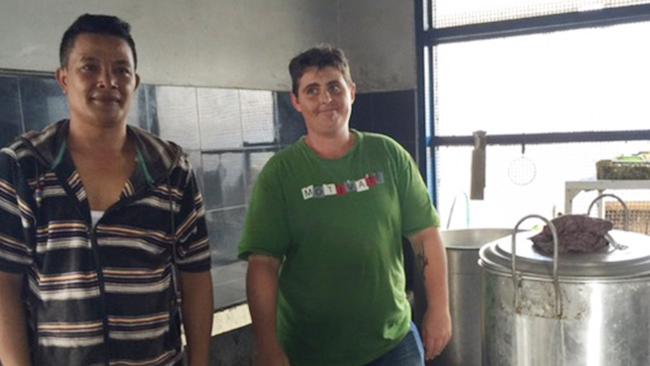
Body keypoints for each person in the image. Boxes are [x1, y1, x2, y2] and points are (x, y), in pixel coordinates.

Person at [0, 14, 213, 366]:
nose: (107, 81)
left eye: (121, 70)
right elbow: (5, 283)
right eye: (89, 68)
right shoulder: (25, 167)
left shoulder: (171, 169)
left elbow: (195, 277)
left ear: (135, 81)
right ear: (63, 79)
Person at [239, 45, 452, 366]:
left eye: (334, 87)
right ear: (296, 101)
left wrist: (439, 308)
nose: (326, 99)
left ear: (352, 92)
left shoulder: (389, 155)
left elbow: (425, 235)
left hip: (393, 344)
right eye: (312, 90)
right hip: (309, 350)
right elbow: (263, 264)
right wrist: (267, 345)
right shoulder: (280, 175)